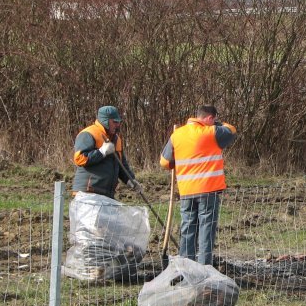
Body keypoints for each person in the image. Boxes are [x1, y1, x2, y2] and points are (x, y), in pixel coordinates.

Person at [160, 105, 237, 265]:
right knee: (206, 231)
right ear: (209, 118)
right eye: (213, 119)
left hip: (186, 191)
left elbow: (165, 162)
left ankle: (186, 268)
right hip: (208, 190)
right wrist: (217, 123)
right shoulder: (211, 132)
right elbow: (231, 130)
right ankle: (203, 268)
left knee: (187, 228)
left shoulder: (177, 134)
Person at [72, 105, 142, 199]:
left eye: (118, 122)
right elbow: (79, 159)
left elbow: (121, 164)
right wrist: (101, 152)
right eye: (114, 122)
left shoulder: (116, 139)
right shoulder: (88, 134)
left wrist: (130, 180)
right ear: (105, 120)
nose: (118, 125)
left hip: (107, 195)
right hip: (88, 194)